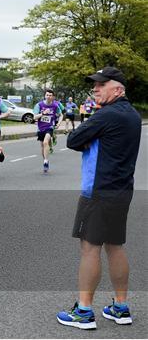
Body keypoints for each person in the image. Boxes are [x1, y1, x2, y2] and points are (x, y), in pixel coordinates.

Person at [57, 67, 141, 330]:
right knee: (115, 245)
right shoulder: (133, 115)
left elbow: (73, 139)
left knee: (90, 248)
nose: (95, 89)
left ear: (118, 89)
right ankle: (120, 306)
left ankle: (83, 312)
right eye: (95, 85)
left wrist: (87, 138)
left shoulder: (106, 115)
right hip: (122, 189)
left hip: (98, 190)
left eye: (101, 85)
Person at [33, 89, 63, 173]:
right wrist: (43, 113)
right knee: (43, 146)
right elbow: (34, 117)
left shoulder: (55, 106)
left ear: (53, 97)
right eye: (47, 95)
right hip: (40, 128)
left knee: (46, 142)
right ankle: (45, 160)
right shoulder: (39, 105)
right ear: (45, 96)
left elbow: (61, 115)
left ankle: (46, 160)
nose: (48, 97)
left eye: (50, 95)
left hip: (49, 127)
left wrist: (59, 123)